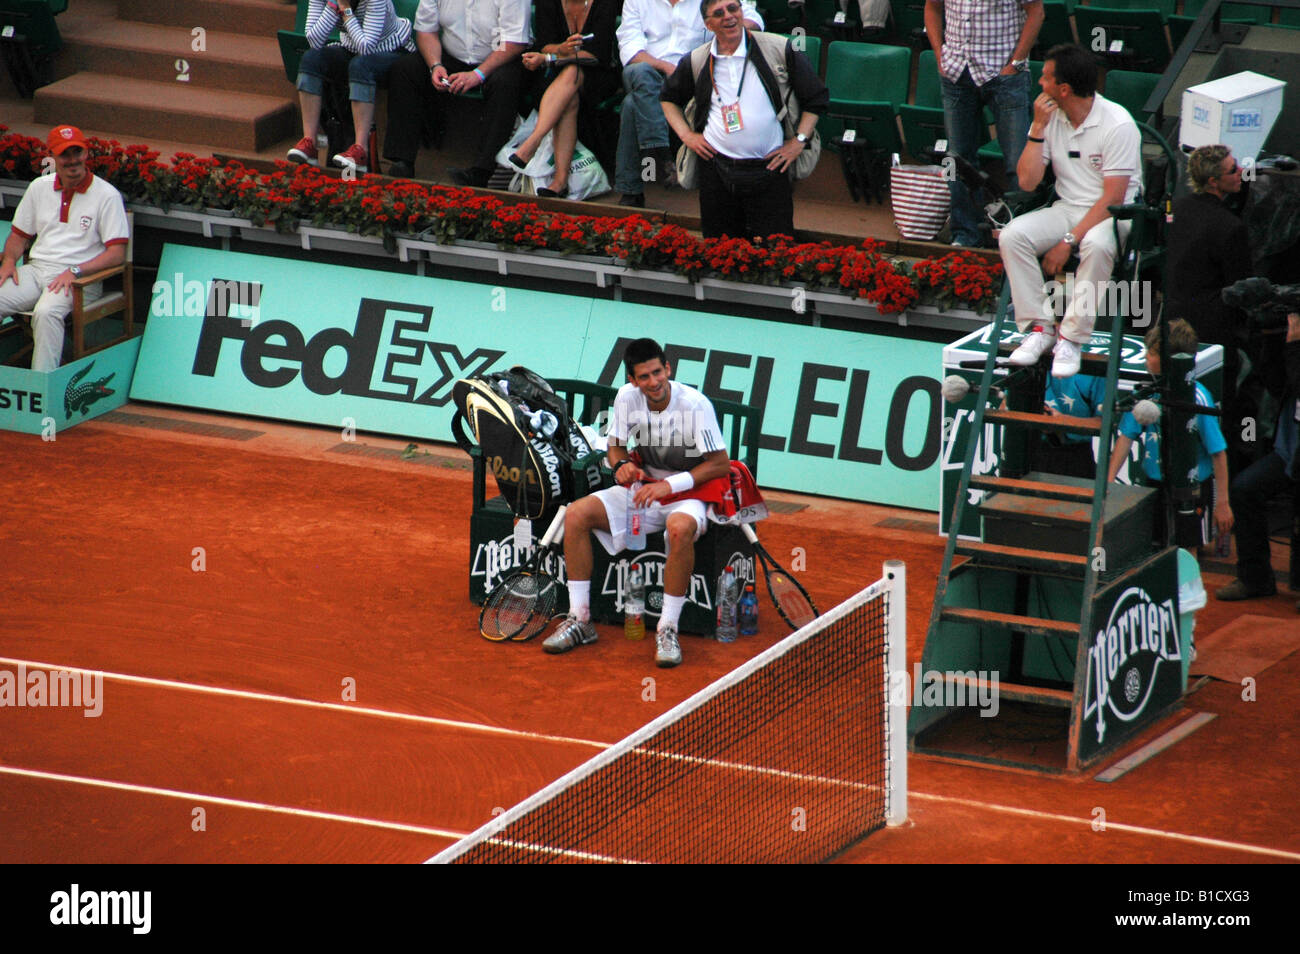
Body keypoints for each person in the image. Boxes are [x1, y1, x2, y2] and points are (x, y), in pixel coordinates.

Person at [543, 338, 731, 668]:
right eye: (644, 377)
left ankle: (667, 628)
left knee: (679, 527)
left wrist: (668, 486)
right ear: (632, 380)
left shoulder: (694, 405)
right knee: (576, 514)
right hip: (643, 491)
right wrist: (620, 466)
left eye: (658, 373)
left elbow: (719, 465)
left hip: (687, 494)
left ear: (668, 369)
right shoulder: (627, 399)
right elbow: (615, 447)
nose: (654, 382)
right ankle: (580, 619)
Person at [1000, 43, 1141, 379]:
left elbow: (1113, 198)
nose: (1040, 85)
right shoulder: (1049, 118)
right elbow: (1027, 182)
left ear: (1063, 89)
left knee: (1097, 244)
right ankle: (1041, 328)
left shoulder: (1118, 124)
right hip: (1067, 207)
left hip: (1115, 214)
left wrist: (1067, 241)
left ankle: (1072, 338)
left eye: (1046, 79)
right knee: (1012, 235)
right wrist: (1036, 130)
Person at [659, 0, 827, 240]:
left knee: (777, 252)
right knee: (721, 253)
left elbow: (816, 99)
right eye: (719, 13)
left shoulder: (779, 49)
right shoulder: (697, 59)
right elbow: (667, 98)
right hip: (716, 169)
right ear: (708, 24)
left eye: (733, 8)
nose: (729, 16)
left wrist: (799, 141)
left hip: (771, 166)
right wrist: (687, 136)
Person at [0, 126, 129, 372]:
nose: (72, 161)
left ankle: (42, 388)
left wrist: (76, 271)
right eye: (64, 155)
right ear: (52, 157)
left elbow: (117, 254)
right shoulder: (39, 187)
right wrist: (8, 262)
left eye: (77, 152)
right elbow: (18, 236)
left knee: (46, 313)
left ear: (86, 153)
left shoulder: (107, 195)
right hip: (37, 270)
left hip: (82, 279)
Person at [613, 0, 764, 207]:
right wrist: (666, 67)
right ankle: (662, 151)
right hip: (650, 74)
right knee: (638, 72)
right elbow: (630, 48)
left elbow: (752, 19)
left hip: (693, 78)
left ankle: (636, 184)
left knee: (632, 104)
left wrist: (728, 31)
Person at [924, 0, 1043, 247]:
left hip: (1005, 74)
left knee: (1017, 161)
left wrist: (1016, 63)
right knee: (957, 159)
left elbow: (1036, 12)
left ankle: (1020, 237)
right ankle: (965, 234)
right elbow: (932, 7)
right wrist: (940, 55)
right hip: (956, 71)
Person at [1106, 320, 1232, 549]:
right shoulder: (1147, 393)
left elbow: (1218, 453)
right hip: (1153, 484)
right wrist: (1107, 483)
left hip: (1191, 489)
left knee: (1187, 551)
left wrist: (1223, 503)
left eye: (1151, 353)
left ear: (1169, 360)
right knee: (1152, 548)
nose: (1146, 357)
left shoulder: (1197, 400)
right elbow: (1126, 438)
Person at [1166, 144, 1252, 471]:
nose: (1241, 173)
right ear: (1214, 182)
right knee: (1217, 408)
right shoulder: (1230, 228)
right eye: (1233, 170)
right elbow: (1240, 288)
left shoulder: (1177, 211)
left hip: (1173, 321)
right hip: (1213, 333)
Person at [381, 0, 530, 185]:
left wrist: (478, 74)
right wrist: (435, 65)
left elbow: (515, 42)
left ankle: (482, 171)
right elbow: (426, 31)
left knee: (506, 81)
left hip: (499, 59)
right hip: (453, 56)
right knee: (406, 68)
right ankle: (402, 160)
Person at [1216, 311, 1300, 604]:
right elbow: (1277, 385)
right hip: (1290, 449)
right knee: (1244, 488)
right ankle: (1255, 579)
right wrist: (1273, 340)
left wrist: (1293, 345)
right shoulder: (1293, 350)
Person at [286, 0, 416, 173]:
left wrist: (346, 10)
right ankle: (310, 143)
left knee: (360, 66)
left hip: (393, 50)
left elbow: (366, 47)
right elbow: (314, 41)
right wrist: (334, 5)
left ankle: (360, 150)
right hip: (353, 48)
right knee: (311, 59)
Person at [509, 0, 622, 198]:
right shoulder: (550, 3)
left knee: (572, 72)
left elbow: (598, 53)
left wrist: (551, 57)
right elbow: (544, 44)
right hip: (555, 79)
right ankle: (559, 182)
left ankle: (533, 142)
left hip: (597, 75)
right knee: (569, 98)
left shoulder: (605, 3)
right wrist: (560, 49)